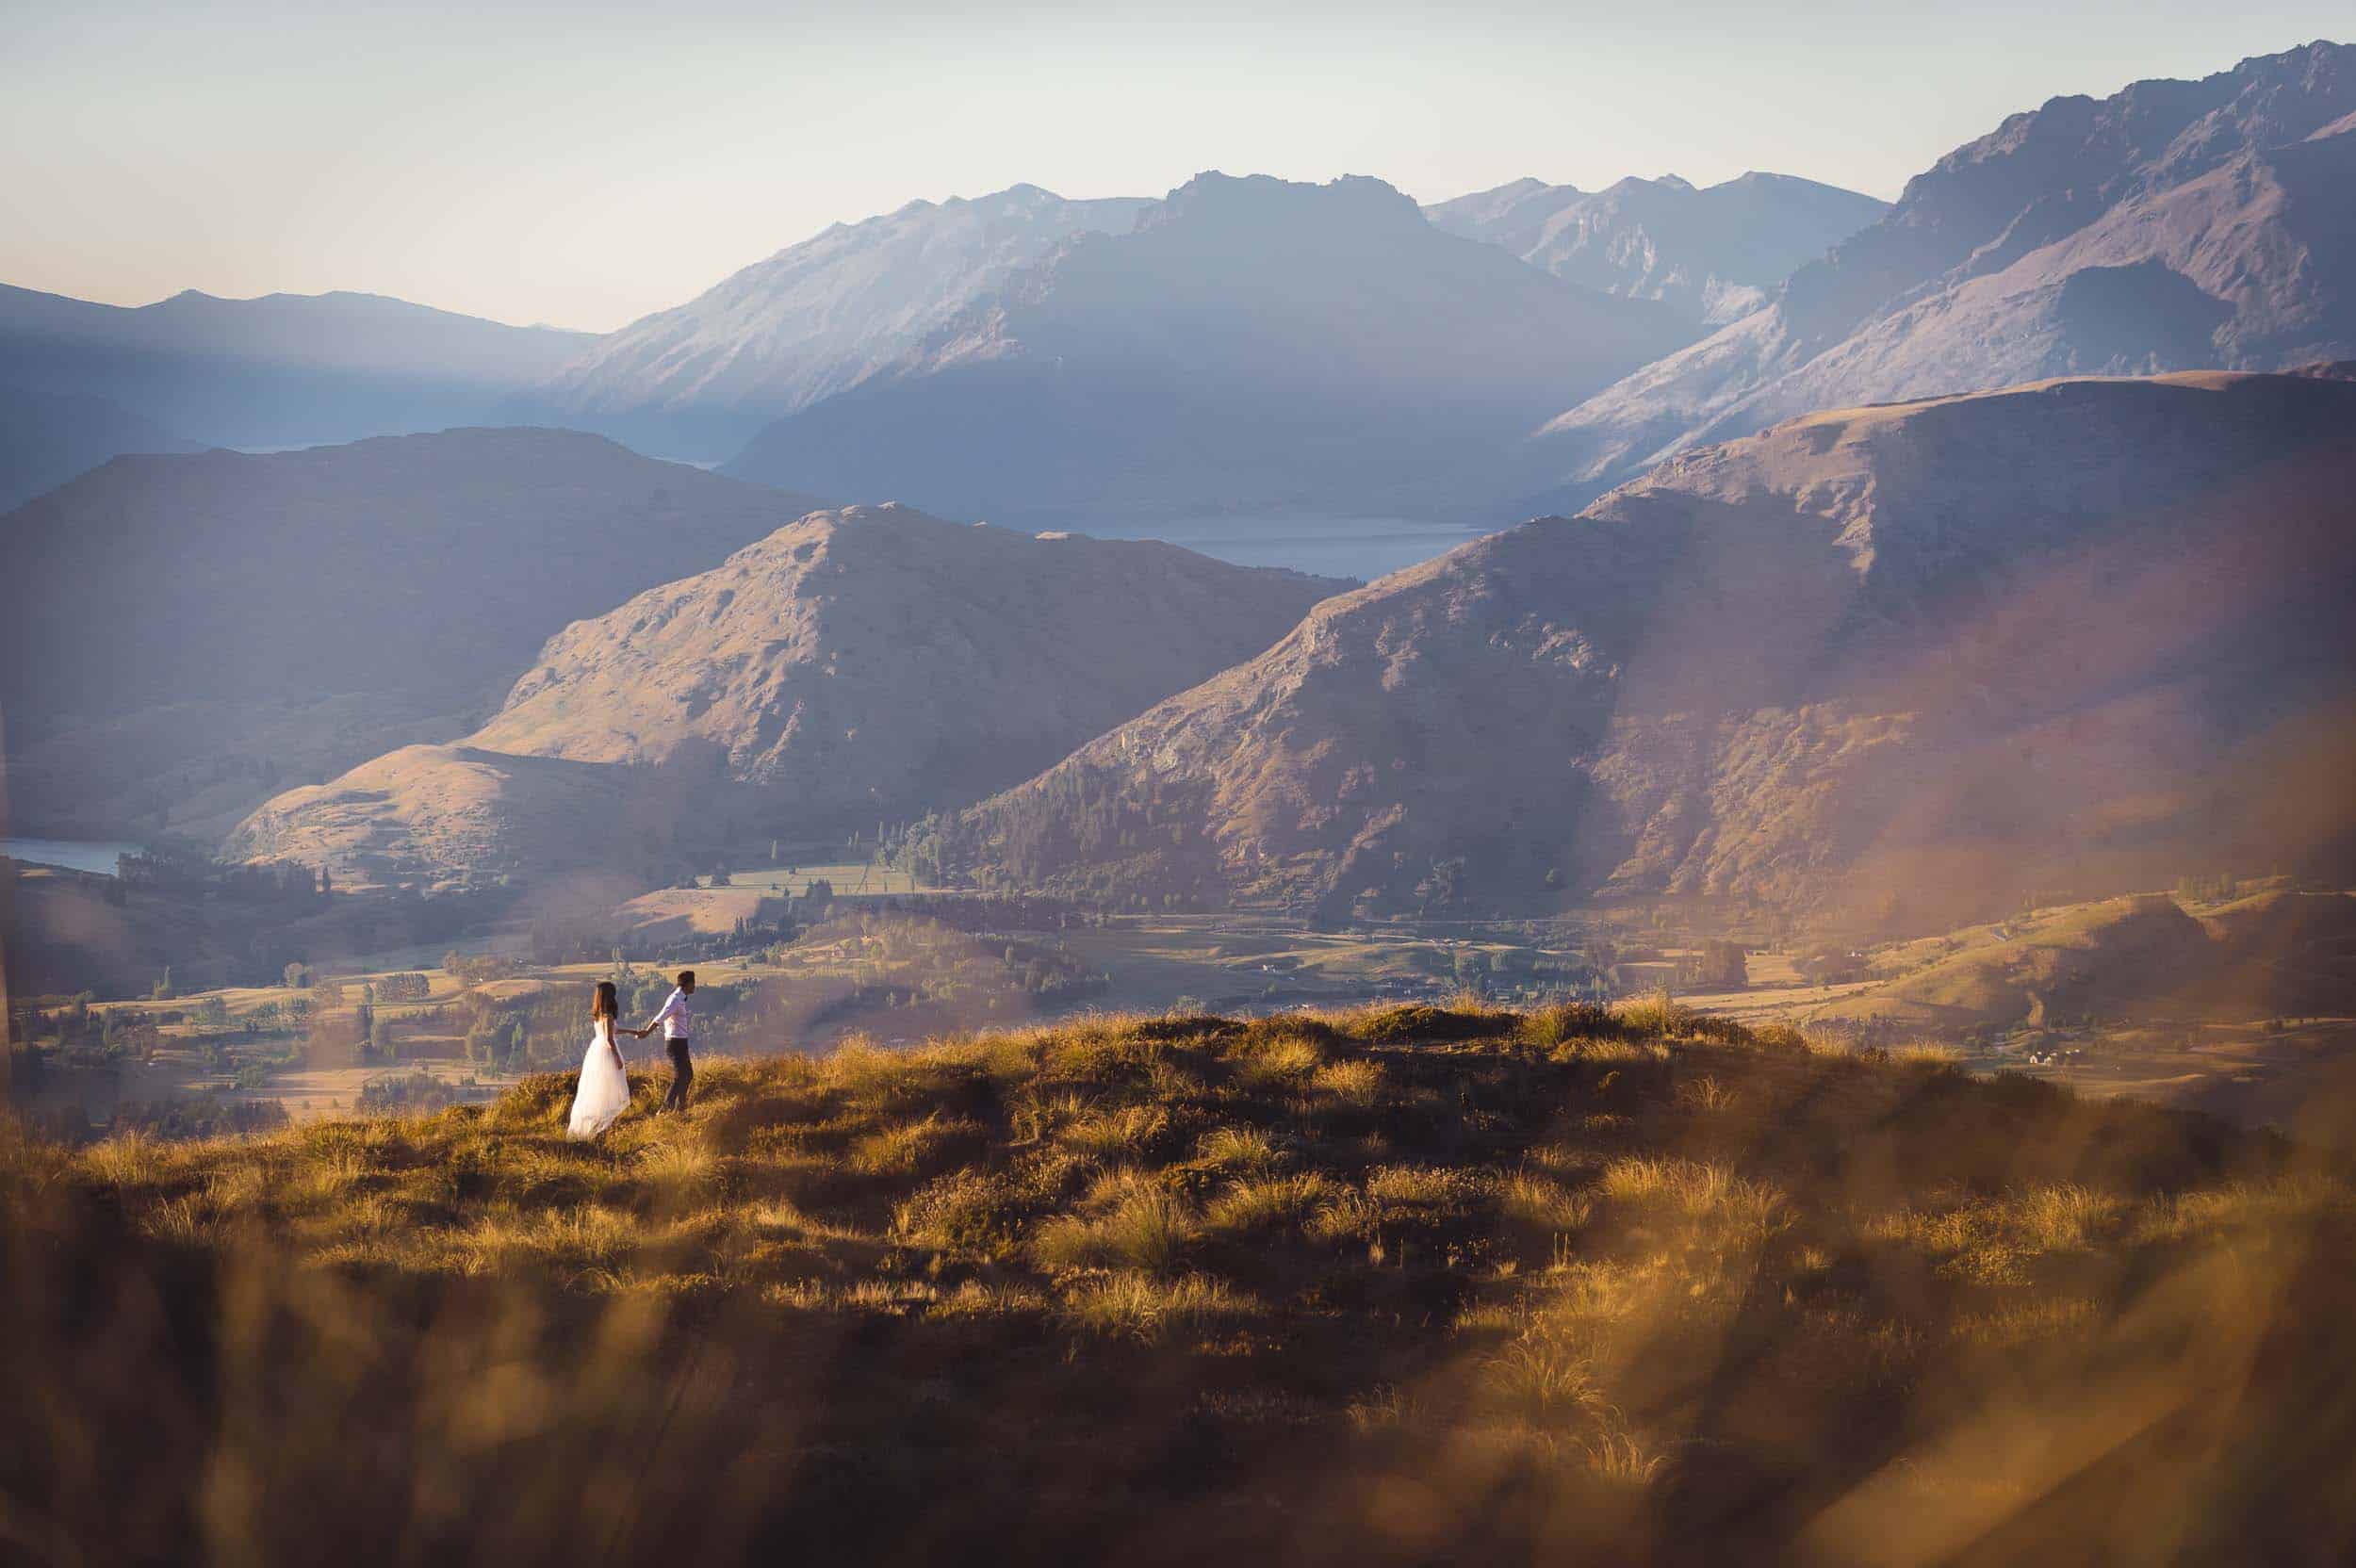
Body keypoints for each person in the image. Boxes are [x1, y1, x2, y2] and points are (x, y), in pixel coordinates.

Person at [566, 980, 630, 1139]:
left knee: (597, 1088)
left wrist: (632, 1031)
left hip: (596, 1050)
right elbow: (609, 1038)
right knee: (608, 1088)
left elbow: (611, 1031)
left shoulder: (599, 1014)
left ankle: (593, 1126)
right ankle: (601, 1125)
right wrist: (617, 1057)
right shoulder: (608, 1015)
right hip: (607, 1052)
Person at [633, 970, 697, 1113]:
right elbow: (660, 1017)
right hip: (675, 1043)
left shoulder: (680, 998)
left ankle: (680, 1107)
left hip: (681, 1042)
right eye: (694, 983)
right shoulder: (675, 999)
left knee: (688, 1075)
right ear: (687, 984)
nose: (695, 986)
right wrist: (646, 1032)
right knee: (681, 1075)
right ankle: (665, 1108)